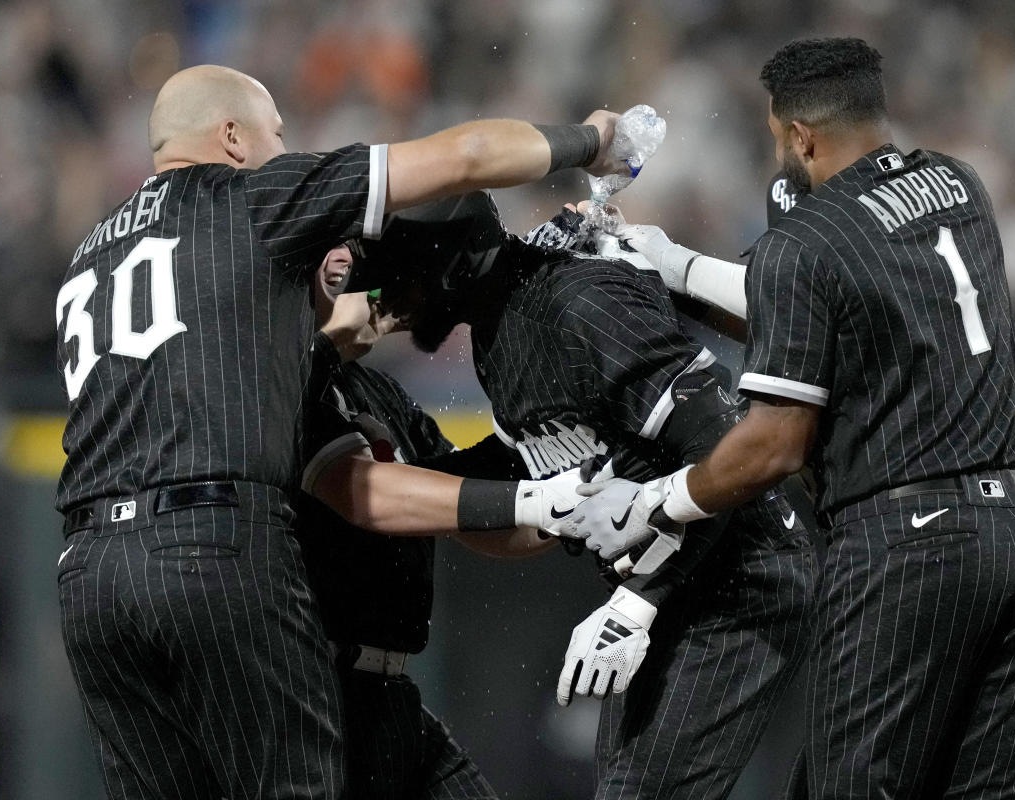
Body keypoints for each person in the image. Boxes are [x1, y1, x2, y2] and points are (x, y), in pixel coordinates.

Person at [53, 63, 625, 799]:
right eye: (276, 132)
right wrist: (590, 140)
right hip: (211, 542)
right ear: (231, 137)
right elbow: (465, 159)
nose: (284, 146)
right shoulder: (250, 195)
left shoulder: (93, 252)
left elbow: (308, 323)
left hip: (87, 572)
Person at [569, 38, 1015, 798]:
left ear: (801, 135)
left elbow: (775, 442)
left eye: (777, 138)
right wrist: (679, 266)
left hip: (906, 545)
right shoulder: (958, 185)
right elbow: (856, 316)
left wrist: (660, 501)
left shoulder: (804, 240)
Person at [617, 170, 1015, 800]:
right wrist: (666, 272)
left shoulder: (844, 292)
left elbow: (769, 422)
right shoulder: (906, 275)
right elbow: (768, 310)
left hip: (912, 563)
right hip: (1008, 547)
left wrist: (669, 262)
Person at [355, 192, 817, 799]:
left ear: (452, 267)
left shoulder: (577, 301)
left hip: (742, 575)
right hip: (677, 584)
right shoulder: (501, 329)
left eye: (401, 277)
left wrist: (638, 604)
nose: (388, 297)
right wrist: (401, 469)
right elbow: (532, 458)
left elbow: (725, 447)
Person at [292, 245, 562, 798]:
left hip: (388, 698)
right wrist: (537, 502)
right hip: (314, 694)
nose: (363, 290)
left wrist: (579, 497)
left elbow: (473, 514)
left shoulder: (380, 389)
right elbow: (367, 496)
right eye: (336, 274)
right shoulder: (275, 388)